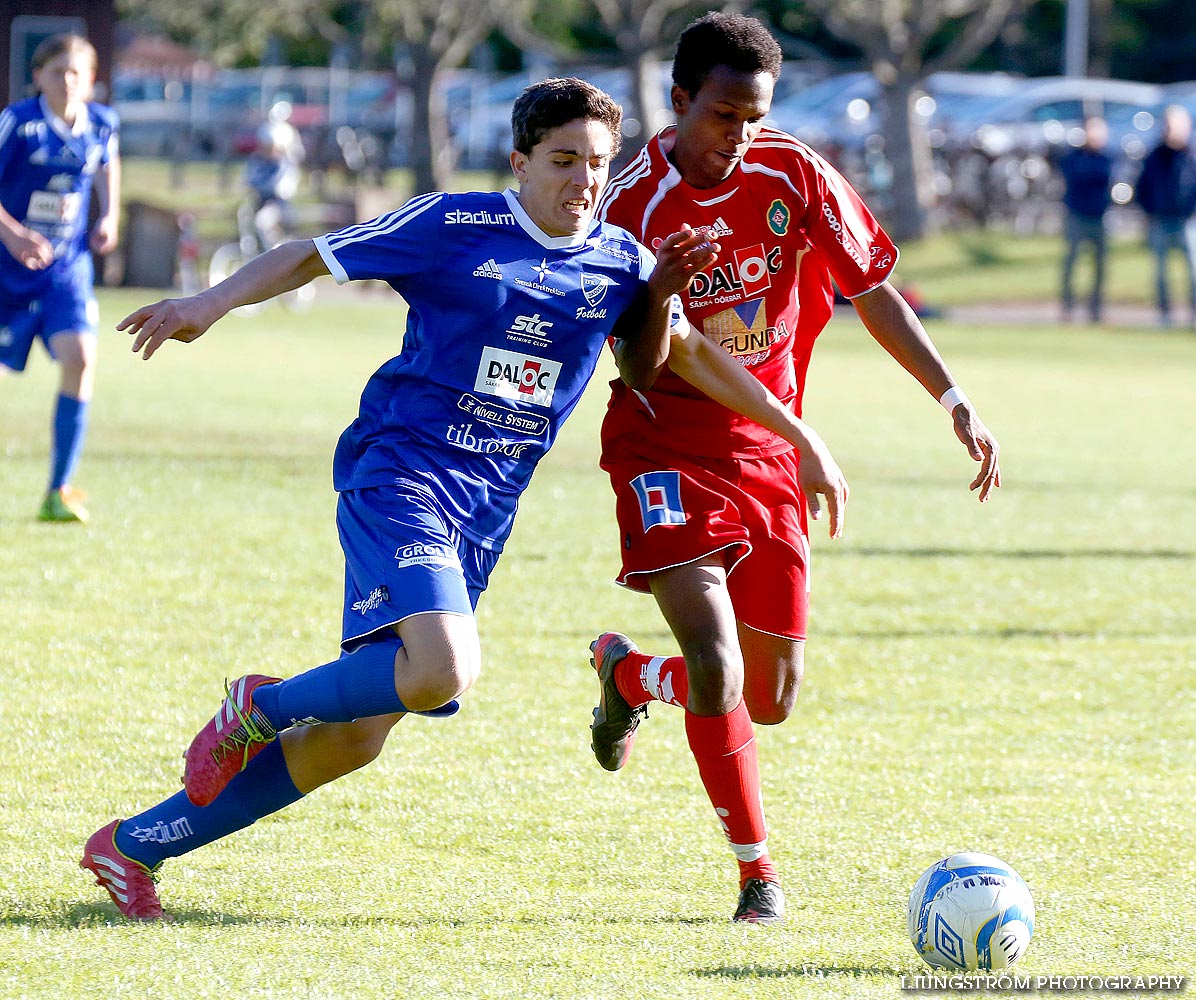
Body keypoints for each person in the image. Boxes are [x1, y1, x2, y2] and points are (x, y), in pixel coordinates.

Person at [80, 77, 849, 921]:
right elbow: (313, 252)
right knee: (446, 668)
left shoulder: (620, 261)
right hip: (400, 473)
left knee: (356, 736)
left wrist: (799, 434)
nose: (583, 182)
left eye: (596, 164)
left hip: (481, 517)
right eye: (562, 161)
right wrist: (209, 302)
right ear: (518, 162)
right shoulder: (455, 225)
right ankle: (254, 708)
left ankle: (133, 847)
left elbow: (679, 360)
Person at [587, 12, 1002, 925]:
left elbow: (870, 285)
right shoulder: (629, 206)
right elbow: (647, 364)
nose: (740, 137)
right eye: (724, 115)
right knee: (717, 659)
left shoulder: (791, 168)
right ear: (680, 99)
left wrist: (951, 395)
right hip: (664, 441)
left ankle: (626, 678)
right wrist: (658, 286)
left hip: (767, 449)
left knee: (768, 698)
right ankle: (756, 877)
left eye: (754, 116)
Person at [0, 33, 120, 522]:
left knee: (81, 357)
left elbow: (108, 167)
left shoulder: (102, 124)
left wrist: (110, 216)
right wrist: (12, 235)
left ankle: (59, 490)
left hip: (64, 269)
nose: (68, 81)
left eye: (77, 72)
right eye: (57, 71)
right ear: (38, 77)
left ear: (91, 80)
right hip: (6, 269)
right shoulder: (19, 124)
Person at [1135, 103, 1196, 329]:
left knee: (1193, 271)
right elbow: (1142, 187)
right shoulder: (1155, 156)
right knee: (1161, 273)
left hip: (1187, 221)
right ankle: (1164, 316)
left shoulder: (1191, 156)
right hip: (1161, 220)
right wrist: (1149, 211)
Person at [1058, 115, 1113, 324]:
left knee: (1099, 267)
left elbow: (1103, 179)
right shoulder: (1074, 157)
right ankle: (1068, 307)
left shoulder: (1106, 158)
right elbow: (1076, 177)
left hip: (1098, 217)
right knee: (1071, 263)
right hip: (1077, 216)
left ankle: (1096, 309)